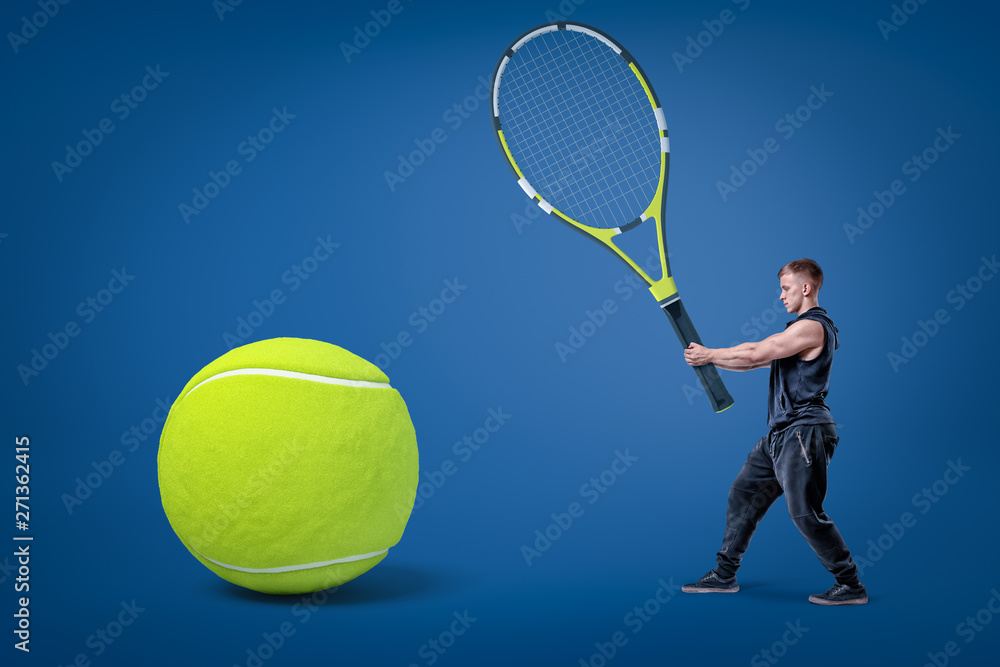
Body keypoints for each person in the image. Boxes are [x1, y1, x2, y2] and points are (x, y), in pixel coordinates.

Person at [680, 259, 867, 605]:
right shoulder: (795, 336)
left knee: (804, 512)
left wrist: (709, 353)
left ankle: (850, 584)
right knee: (742, 493)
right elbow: (748, 361)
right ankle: (724, 575)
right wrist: (710, 359)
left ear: (806, 288)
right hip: (780, 435)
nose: (780, 296)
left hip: (804, 432)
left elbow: (755, 353)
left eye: (786, 288)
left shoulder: (813, 328)